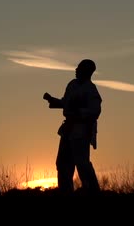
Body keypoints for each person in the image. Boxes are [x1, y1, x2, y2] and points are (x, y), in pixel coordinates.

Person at [43, 59, 102, 194]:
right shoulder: (72, 85)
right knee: (63, 163)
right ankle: (65, 191)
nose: (76, 69)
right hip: (68, 129)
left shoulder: (91, 90)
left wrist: (79, 111)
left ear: (87, 71)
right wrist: (53, 100)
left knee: (82, 163)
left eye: (79, 67)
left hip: (81, 130)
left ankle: (92, 191)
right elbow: (66, 103)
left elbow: (95, 110)